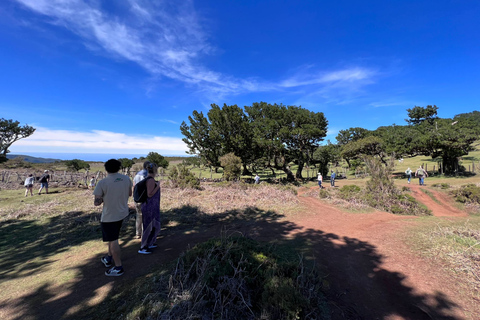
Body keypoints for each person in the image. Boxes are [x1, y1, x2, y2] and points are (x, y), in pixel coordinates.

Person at [93, 159, 133, 276]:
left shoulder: (102, 183)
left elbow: (97, 202)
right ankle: (109, 258)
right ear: (119, 168)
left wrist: (102, 197)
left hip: (109, 216)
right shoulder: (126, 179)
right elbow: (130, 194)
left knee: (113, 239)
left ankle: (118, 267)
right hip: (122, 213)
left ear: (106, 169)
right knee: (112, 237)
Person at [138, 162, 161, 255]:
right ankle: (143, 246)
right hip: (149, 206)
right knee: (148, 226)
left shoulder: (150, 179)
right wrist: (158, 186)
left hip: (153, 207)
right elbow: (150, 194)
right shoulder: (150, 180)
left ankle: (150, 243)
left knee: (155, 226)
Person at [133, 161, 150, 239]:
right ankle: (145, 233)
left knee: (138, 216)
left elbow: (134, 185)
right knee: (145, 216)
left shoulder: (137, 174)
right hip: (144, 198)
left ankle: (138, 233)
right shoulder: (147, 174)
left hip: (136, 197)